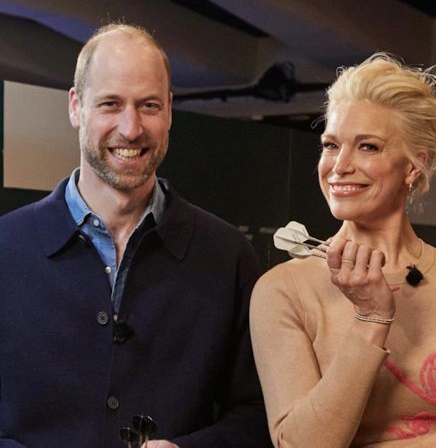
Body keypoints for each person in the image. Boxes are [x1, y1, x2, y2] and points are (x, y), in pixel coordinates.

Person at [0, 24, 272, 448]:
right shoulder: (5, 249)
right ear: (76, 107)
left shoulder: (229, 257)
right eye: (110, 104)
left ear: (169, 111)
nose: (131, 128)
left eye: (148, 105)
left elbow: (258, 415)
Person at [250, 53, 436, 447]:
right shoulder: (283, 290)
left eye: (368, 147)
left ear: (414, 166)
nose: (339, 165)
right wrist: (371, 318)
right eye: (330, 145)